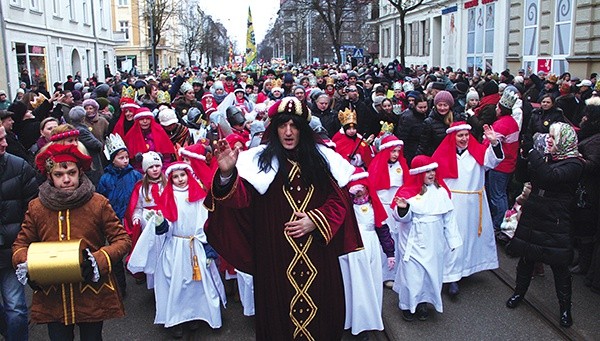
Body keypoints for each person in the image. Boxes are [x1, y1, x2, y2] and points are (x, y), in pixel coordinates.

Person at [205, 97, 362, 340]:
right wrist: (227, 174)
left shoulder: (324, 160)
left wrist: (315, 220)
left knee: (323, 318)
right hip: (275, 260)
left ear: (304, 129)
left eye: (294, 126)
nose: (288, 132)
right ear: (274, 128)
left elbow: (340, 202)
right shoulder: (257, 163)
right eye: (282, 125)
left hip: (319, 257)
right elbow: (239, 203)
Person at [12, 143, 131, 340]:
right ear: (50, 176)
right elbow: (20, 245)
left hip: (91, 293)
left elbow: (122, 239)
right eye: (59, 174)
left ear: (80, 172)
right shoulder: (37, 207)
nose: (66, 179)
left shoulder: (97, 203)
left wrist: (98, 260)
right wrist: (29, 264)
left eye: (71, 173)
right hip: (53, 296)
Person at [506, 122, 584, 328]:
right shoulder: (549, 157)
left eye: (553, 137)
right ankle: (518, 293)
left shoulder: (574, 163)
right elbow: (526, 177)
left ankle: (565, 309)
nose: (548, 139)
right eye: (548, 136)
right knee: (527, 257)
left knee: (559, 265)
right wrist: (525, 157)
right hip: (535, 212)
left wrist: (532, 152)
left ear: (564, 141)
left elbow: (549, 177)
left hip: (556, 218)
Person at [148, 162, 225, 337]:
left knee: (195, 284)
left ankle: (195, 315)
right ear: (171, 179)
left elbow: (204, 222)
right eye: (175, 177)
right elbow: (167, 221)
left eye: (182, 175)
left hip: (194, 245)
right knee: (176, 282)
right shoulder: (169, 196)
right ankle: (176, 319)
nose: (180, 179)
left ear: (188, 175)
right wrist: (160, 223)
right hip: (175, 246)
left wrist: (208, 248)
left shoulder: (197, 196)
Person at [432, 122, 503, 296]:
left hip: (473, 204)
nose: (464, 139)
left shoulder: (477, 152)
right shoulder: (442, 155)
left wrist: (494, 143)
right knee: (453, 239)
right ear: (452, 137)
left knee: (469, 238)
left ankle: (465, 269)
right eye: (460, 135)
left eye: (466, 135)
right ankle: (452, 277)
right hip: (453, 203)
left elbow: (494, 161)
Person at [391, 155, 462, 322]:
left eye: (433, 171)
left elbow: (449, 217)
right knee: (413, 274)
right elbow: (401, 218)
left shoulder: (441, 192)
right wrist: (403, 209)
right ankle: (408, 305)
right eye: (427, 171)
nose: (431, 174)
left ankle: (423, 303)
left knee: (431, 274)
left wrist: (452, 240)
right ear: (418, 174)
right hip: (413, 239)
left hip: (434, 240)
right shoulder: (406, 192)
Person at [340, 168, 395, 337]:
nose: (359, 191)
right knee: (354, 286)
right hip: (352, 250)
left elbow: (382, 229)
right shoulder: (346, 208)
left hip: (371, 248)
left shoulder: (373, 206)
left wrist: (390, 252)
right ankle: (353, 322)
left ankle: (369, 321)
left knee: (371, 285)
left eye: (361, 187)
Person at [0, 126, 38, 341]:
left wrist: (24, 244)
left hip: (11, 250)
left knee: (16, 307)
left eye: (4, 138)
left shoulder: (18, 166)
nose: (4, 144)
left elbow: (31, 208)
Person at [97, 133, 143, 297]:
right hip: (115, 217)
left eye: (126, 157)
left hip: (132, 216)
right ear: (112, 159)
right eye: (120, 158)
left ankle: (138, 271)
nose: (125, 160)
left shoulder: (135, 175)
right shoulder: (105, 178)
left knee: (136, 244)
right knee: (117, 250)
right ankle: (119, 286)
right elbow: (102, 197)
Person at [368, 134, 410, 288]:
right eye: (393, 151)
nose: (396, 155)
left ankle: (397, 271)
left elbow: (406, 185)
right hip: (383, 207)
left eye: (398, 151)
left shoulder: (402, 165)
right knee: (385, 238)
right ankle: (385, 274)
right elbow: (372, 189)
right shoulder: (377, 165)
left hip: (397, 206)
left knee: (399, 238)